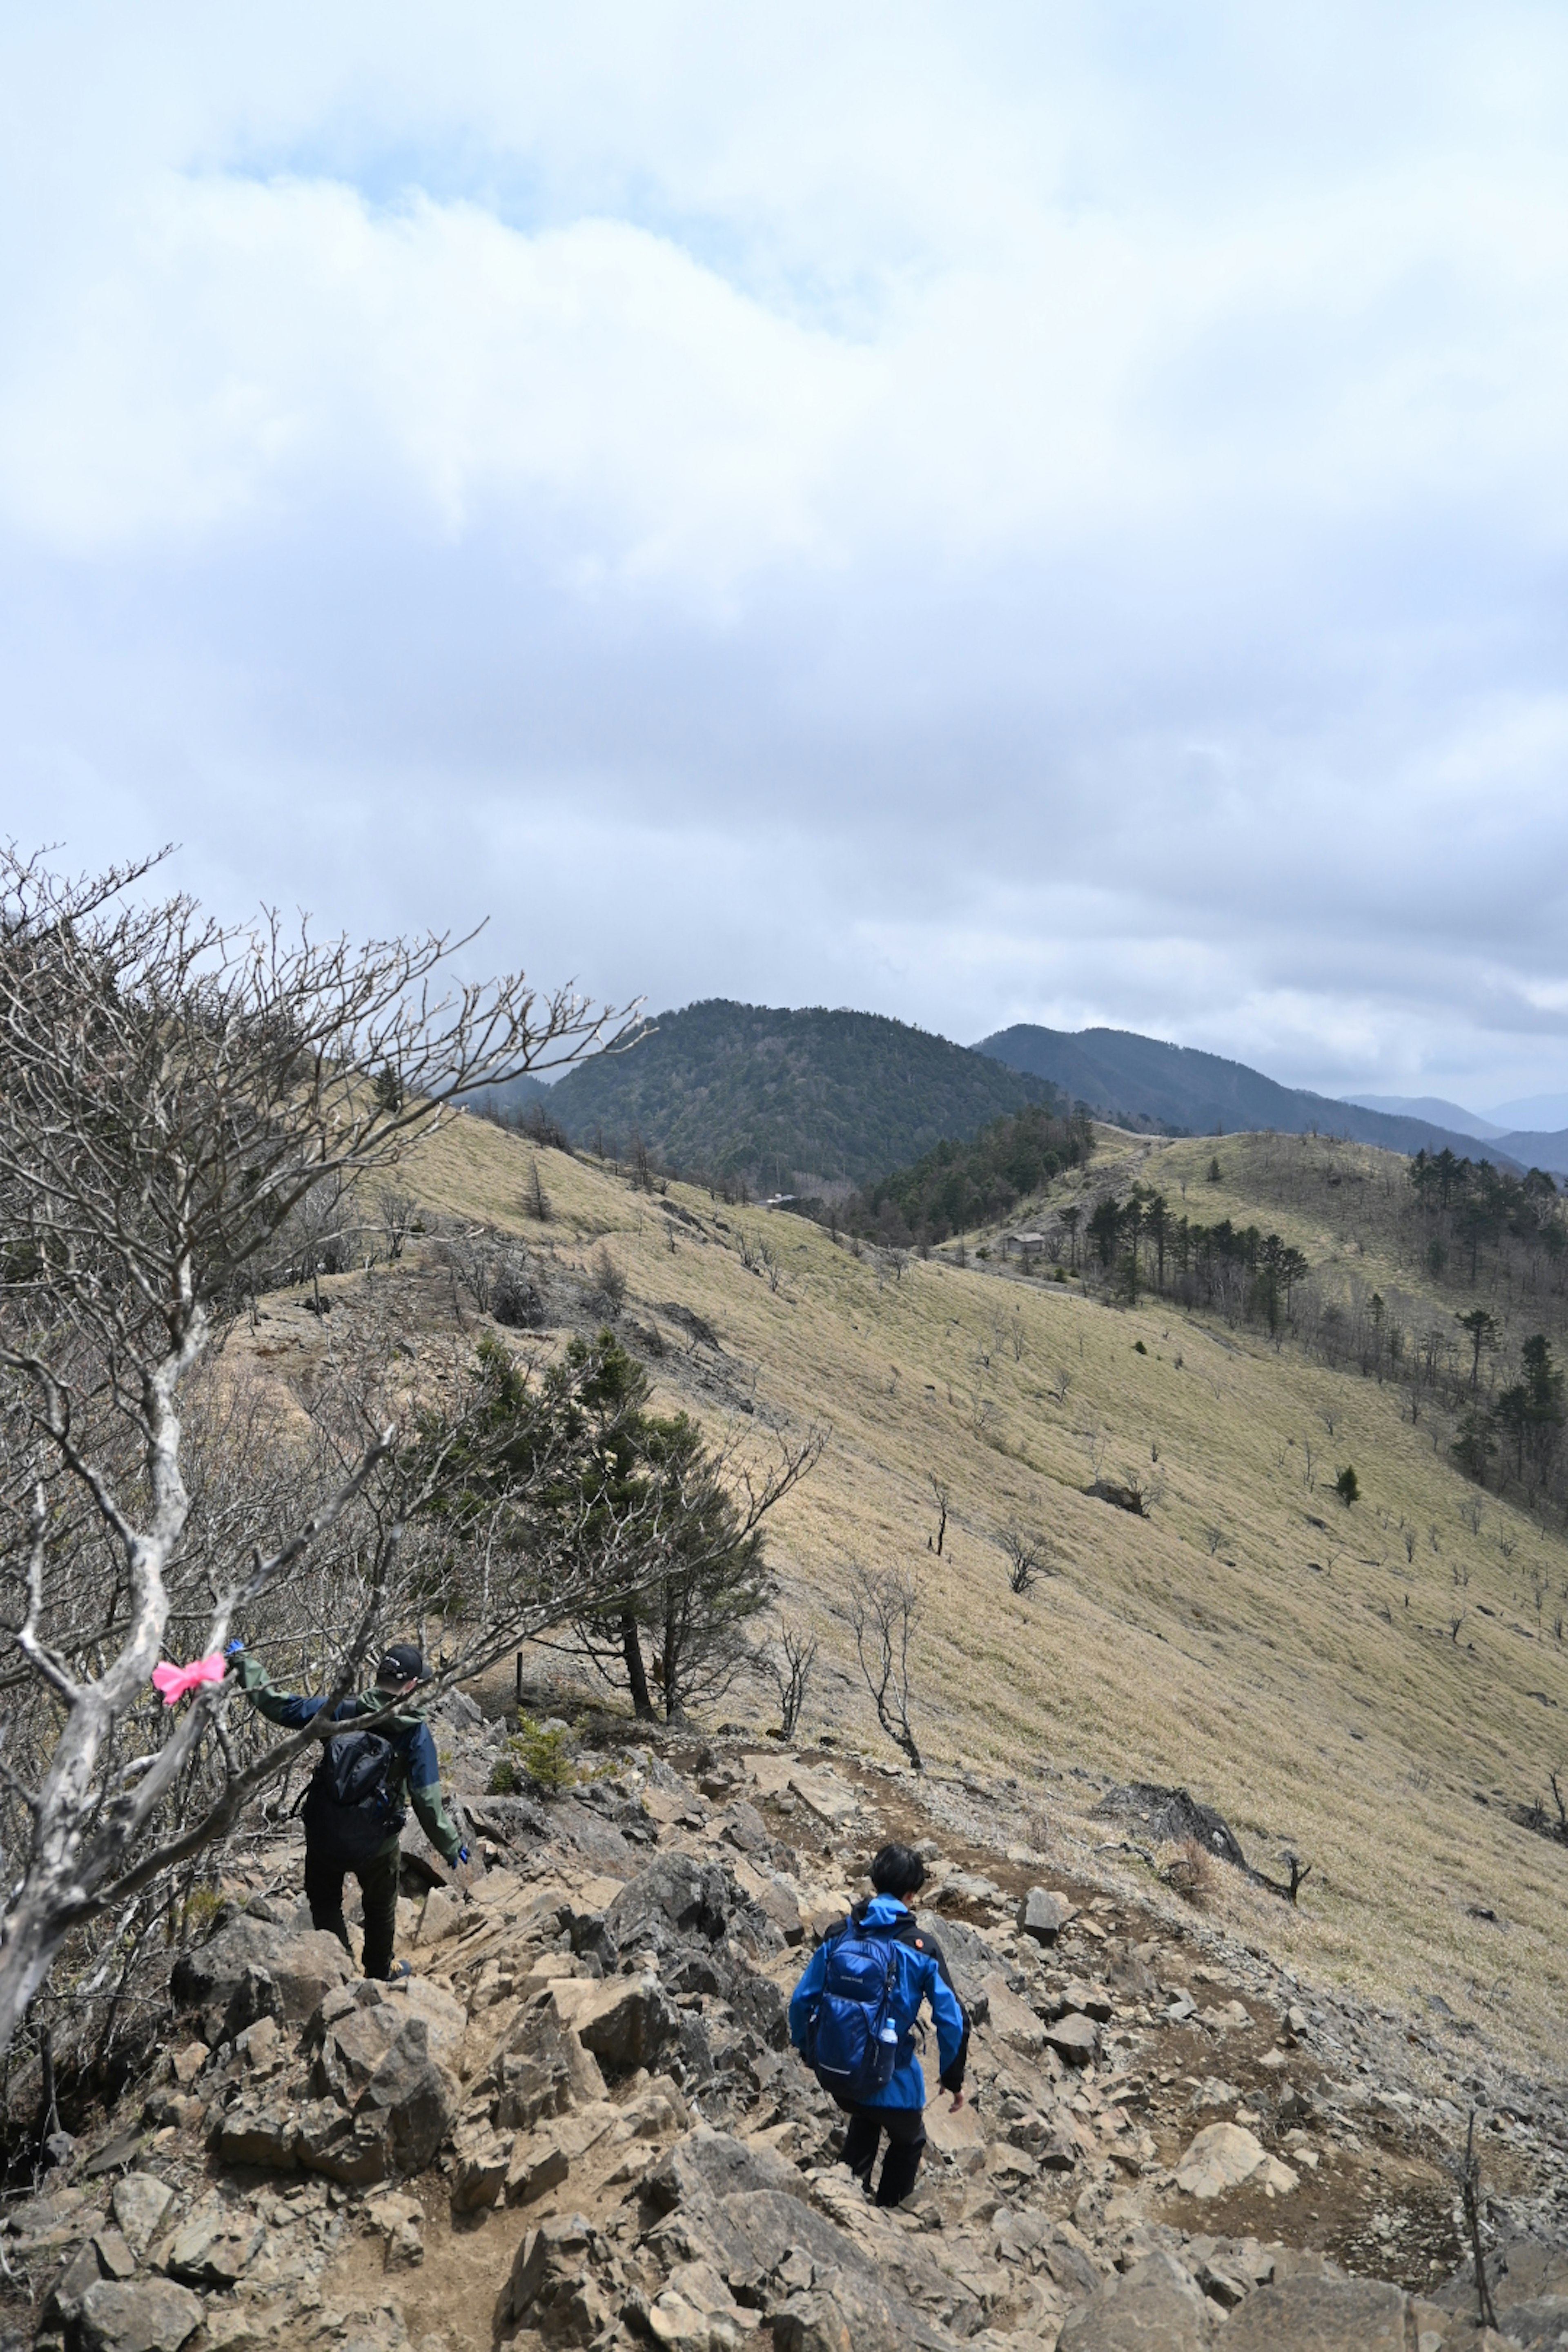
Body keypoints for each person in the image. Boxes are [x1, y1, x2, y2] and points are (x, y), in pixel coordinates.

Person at [229, 1639, 467, 1980]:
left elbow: (280, 1707)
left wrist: (243, 1663)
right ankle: (379, 1972)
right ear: (411, 1685)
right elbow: (426, 1801)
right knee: (380, 1908)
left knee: (325, 1902)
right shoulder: (415, 1732)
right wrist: (451, 1844)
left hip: (326, 1833)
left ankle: (338, 1969)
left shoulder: (342, 1710)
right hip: (379, 1843)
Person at [788, 1841, 968, 2208]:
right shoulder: (921, 1948)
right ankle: (889, 2214)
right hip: (892, 2080)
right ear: (911, 1895)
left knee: (864, 2117)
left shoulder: (841, 1933)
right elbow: (953, 2020)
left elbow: (800, 2001)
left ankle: (843, 2194)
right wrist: (952, 2079)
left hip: (838, 2073)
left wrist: (809, 2051)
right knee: (910, 2138)